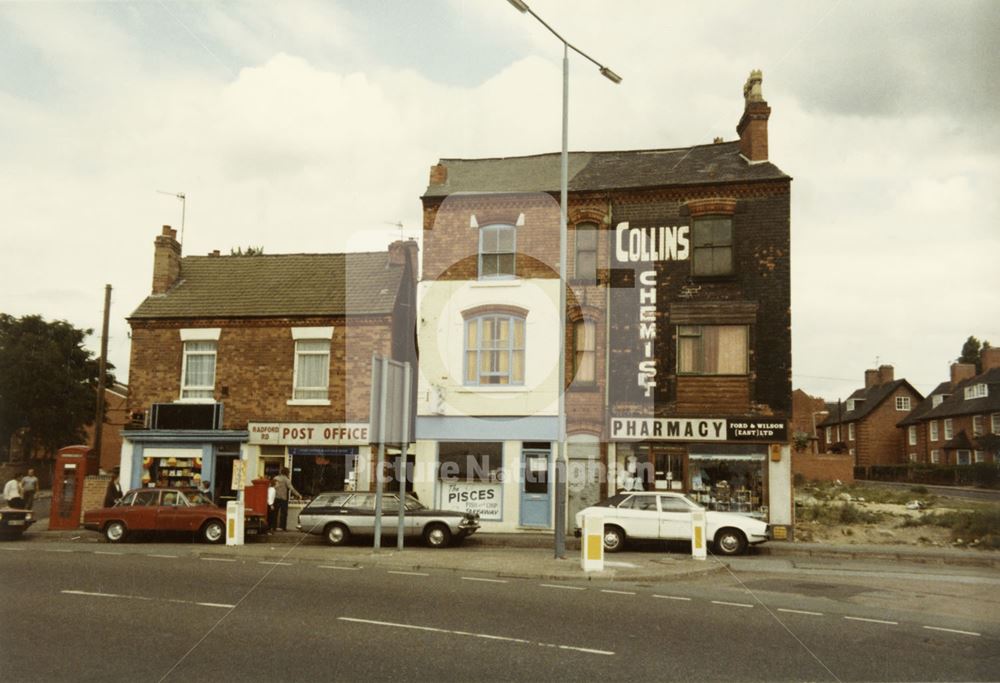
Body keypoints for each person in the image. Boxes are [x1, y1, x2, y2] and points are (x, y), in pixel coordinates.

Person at [271, 467, 302, 531]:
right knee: (284, 513)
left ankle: (273, 527)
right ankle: (282, 527)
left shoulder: (275, 478)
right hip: (283, 498)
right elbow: (291, 488)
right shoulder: (286, 479)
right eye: (288, 472)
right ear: (286, 472)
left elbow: (271, 487)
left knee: (274, 513)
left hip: (275, 498)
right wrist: (298, 495)